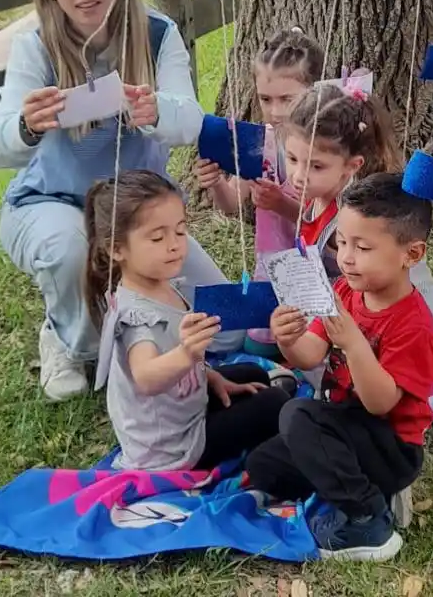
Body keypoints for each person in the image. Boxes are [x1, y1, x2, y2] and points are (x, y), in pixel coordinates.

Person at [0, 0, 241, 403]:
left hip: (136, 210)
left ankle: (127, 304)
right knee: (73, 254)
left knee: (226, 331)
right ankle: (66, 336)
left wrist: (156, 109)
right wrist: (27, 125)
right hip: (53, 203)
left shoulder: (159, 35)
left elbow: (188, 119)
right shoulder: (34, 47)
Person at [246, 173, 433, 561]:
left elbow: (381, 404)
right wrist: (287, 338)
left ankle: (368, 517)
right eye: (342, 242)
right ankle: (346, 483)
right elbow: (311, 355)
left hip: (390, 447)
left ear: (412, 254)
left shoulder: (413, 324)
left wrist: (353, 343)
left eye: (363, 247)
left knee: (299, 414)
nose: (346, 257)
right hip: (344, 427)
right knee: (263, 466)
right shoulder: (345, 291)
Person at [280, 85, 433, 419]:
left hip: (399, 315)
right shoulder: (329, 204)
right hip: (356, 306)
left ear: (351, 166)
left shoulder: (359, 218)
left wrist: (347, 337)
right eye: (291, 159)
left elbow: (384, 280)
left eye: (315, 166)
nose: (297, 175)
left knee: (397, 361)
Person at [86, 171, 289, 471]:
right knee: (272, 405)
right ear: (116, 249)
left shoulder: (161, 284)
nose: (174, 245)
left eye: (180, 231)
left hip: (184, 405)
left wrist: (210, 377)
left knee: (251, 375)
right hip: (172, 447)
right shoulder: (137, 318)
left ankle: (229, 394)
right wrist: (187, 354)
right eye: (157, 237)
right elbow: (145, 378)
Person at [195, 27, 324, 355]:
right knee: (257, 351)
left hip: (315, 279)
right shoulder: (258, 143)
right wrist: (216, 184)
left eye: (287, 99)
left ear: (315, 92)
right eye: (266, 99)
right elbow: (231, 205)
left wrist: (281, 205)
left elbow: (329, 223)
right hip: (269, 275)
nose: (276, 111)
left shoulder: (324, 150)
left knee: (310, 352)